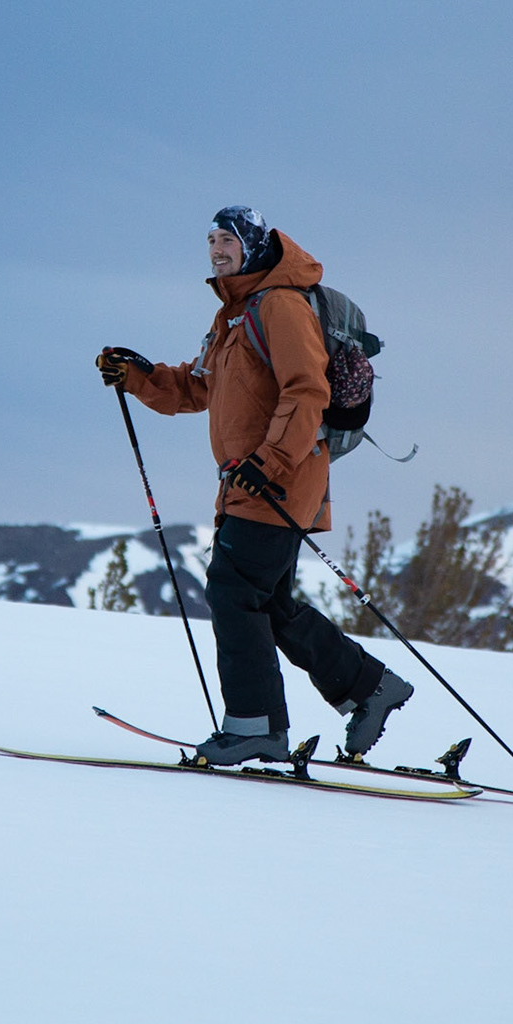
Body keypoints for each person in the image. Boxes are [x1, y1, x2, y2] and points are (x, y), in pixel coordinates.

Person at [97, 206, 413, 766]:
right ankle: (369, 688)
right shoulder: (235, 316)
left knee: (233, 588)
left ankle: (256, 727)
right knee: (269, 603)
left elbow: (306, 390)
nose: (218, 250)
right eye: (212, 240)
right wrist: (140, 376)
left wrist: (269, 463)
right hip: (256, 479)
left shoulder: (281, 305)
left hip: (278, 477)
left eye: (229, 240)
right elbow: (198, 390)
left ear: (253, 246)